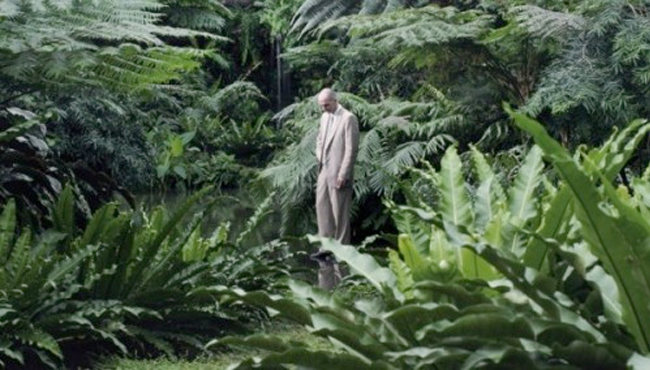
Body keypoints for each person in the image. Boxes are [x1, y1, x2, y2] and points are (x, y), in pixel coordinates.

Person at [311, 88, 360, 290]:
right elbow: (321, 140)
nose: (324, 108)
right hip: (324, 169)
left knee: (339, 211)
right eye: (321, 105)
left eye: (327, 104)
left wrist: (343, 174)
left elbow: (351, 149)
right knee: (321, 206)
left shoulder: (348, 118)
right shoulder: (324, 118)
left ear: (335, 100)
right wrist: (319, 157)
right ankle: (326, 247)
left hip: (339, 172)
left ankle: (341, 249)